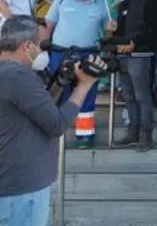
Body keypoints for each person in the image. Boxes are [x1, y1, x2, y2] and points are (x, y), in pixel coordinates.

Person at [0, 16, 103, 226]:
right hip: (21, 190)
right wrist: (84, 85)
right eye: (42, 45)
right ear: (27, 46)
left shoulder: (8, 73)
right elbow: (57, 124)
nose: (43, 52)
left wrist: (59, 84)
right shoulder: (17, 77)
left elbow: (39, 109)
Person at [45, 0, 109, 149]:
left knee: (86, 94)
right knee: (56, 93)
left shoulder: (101, 5)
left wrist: (111, 28)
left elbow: (107, 31)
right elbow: (49, 24)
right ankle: (54, 134)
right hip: (59, 54)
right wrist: (44, 50)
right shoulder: (63, 0)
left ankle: (85, 136)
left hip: (88, 54)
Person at [111, 0, 157, 151]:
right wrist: (114, 33)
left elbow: (153, 28)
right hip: (123, 55)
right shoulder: (123, 4)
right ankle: (133, 131)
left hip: (140, 55)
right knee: (129, 96)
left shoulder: (148, 1)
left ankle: (146, 134)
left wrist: (135, 43)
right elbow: (121, 31)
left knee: (141, 96)